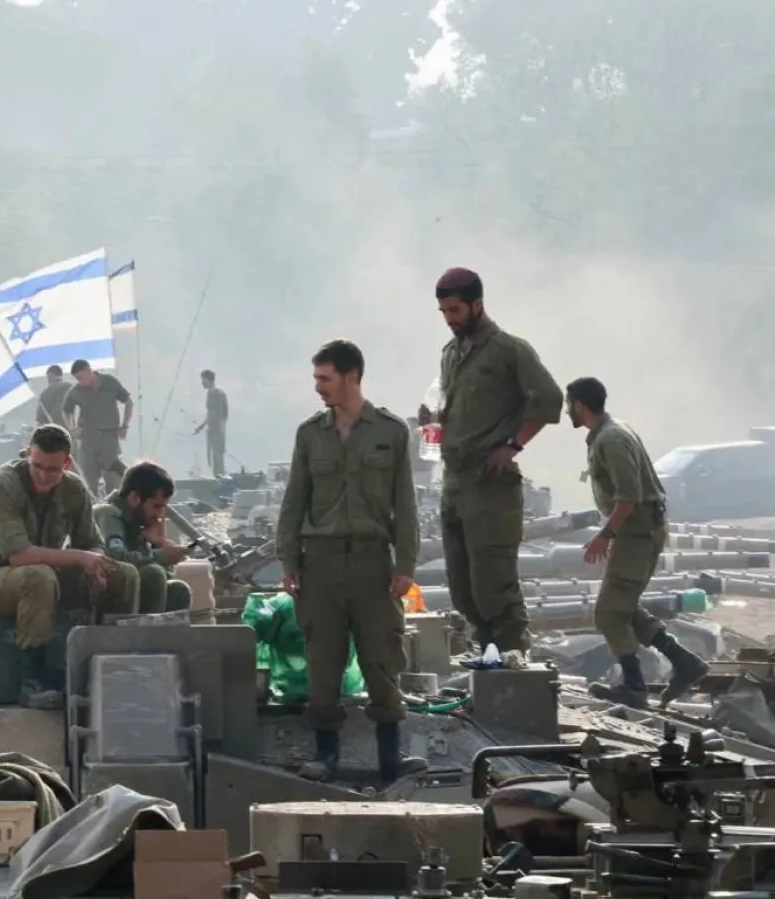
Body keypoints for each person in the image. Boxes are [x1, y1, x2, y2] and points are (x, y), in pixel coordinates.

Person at [274, 339, 427, 784]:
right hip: (319, 564)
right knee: (323, 661)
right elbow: (294, 500)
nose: (318, 387)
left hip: (372, 563)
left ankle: (389, 758)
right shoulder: (309, 433)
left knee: (382, 658)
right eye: (316, 378)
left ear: (351, 376)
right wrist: (289, 559)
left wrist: (406, 565)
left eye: (325, 378)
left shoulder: (392, 432)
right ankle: (326, 757)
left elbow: (405, 505)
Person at [423, 268, 562, 655]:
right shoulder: (450, 355)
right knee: (463, 588)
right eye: (443, 311)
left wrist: (512, 445)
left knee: (494, 586)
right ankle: (487, 657)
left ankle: (513, 664)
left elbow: (548, 399)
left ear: (477, 304)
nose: (449, 318)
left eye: (454, 309)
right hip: (455, 482)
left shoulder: (508, 350)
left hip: (491, 483)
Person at [0, 424, 138, 703]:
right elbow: (19, 555)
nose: (43, 475)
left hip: (41, 575)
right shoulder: (0, 485)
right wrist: (80, 557)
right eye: (37, 464)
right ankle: (33, 678)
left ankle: (113, 663)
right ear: (28, 453)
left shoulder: (73, 488)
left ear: (66, 463)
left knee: (122, 575)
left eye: (52, 469)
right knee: (38, 577)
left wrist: (93, 564)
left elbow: (91, 541)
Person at [565, 378, 709, 708]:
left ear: (580, 405)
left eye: (568, 403)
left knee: (608, 614)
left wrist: (606, 535)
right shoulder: (612, 431)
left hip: (638, 532)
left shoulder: (611, 439)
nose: (567, 410)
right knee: (624, 607)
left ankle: (634, 686)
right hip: (638, 532)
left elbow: (628, 497)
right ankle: (684, 662)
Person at [94, 461, 193, 614]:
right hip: (100, 594)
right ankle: (145, 636)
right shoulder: (108, 514)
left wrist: (158, 543)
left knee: (178, 591)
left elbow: (164, 576)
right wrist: (161, 556)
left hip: (126, 593)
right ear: (134, 498)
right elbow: (115, 558)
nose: (160, 515)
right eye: (156, 506)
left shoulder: (136, 522)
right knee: (153, 574)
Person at [61, 360, 133, 496]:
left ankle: (113, 508)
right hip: (88, 438)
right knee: (89, 479)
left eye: (81, 378)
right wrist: (72, 428)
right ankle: (91, 509)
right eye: (77, 379)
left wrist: (125, 425)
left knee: (113, 477)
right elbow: (66, 410)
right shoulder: (77, 390)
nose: (80, 382)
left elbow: (128, 402)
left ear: (89, 371)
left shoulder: (110, 382)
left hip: (109, 437)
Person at [193, 369, 230, 477]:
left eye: (203, 380)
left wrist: (201, 427)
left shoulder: (213, 392)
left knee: (215, 457)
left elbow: (212, 413)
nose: (202, 383)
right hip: (220, 429)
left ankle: (219, 478)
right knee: (218, 455)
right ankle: (220, 476)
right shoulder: (221, 392)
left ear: (207, 380)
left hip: (215, 429)